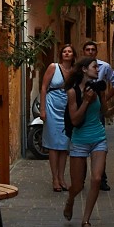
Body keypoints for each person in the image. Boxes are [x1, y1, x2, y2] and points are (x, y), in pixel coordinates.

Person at [64, 56, 109, 227]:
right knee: (77, 186)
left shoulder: (98, 89)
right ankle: (70, 199)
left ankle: (85, 221)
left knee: (97, 179)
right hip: (79, 141)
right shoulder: (73, 92)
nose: (98, 70)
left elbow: (105, 112)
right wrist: (86, 102)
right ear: (84, 69)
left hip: (99, 137)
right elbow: (75, 120)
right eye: (94, 67)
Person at [81, 40, 114, 190]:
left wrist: (105, 99)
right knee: (81, 144)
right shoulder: (79, 68)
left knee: (99, 143)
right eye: (88, 49)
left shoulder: (105, 67)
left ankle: (101, 178)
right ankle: (81, 178)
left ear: (96, 52)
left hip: (97, 110)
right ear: (84, 51)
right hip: (82, 108)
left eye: (93, 50)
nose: (90, 52)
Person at [39, 43, 76, 192]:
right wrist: (42, 109)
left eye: (70, 52)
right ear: (61, 54)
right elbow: (43, 87)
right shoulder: (53, 67)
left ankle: (62, 177)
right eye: (64, 51)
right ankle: (54, 178)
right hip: (52, 106)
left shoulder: (74, 70)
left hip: (66, 108)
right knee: (54, 144)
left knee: (64, 145)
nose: (67, 54)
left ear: (73, 55)